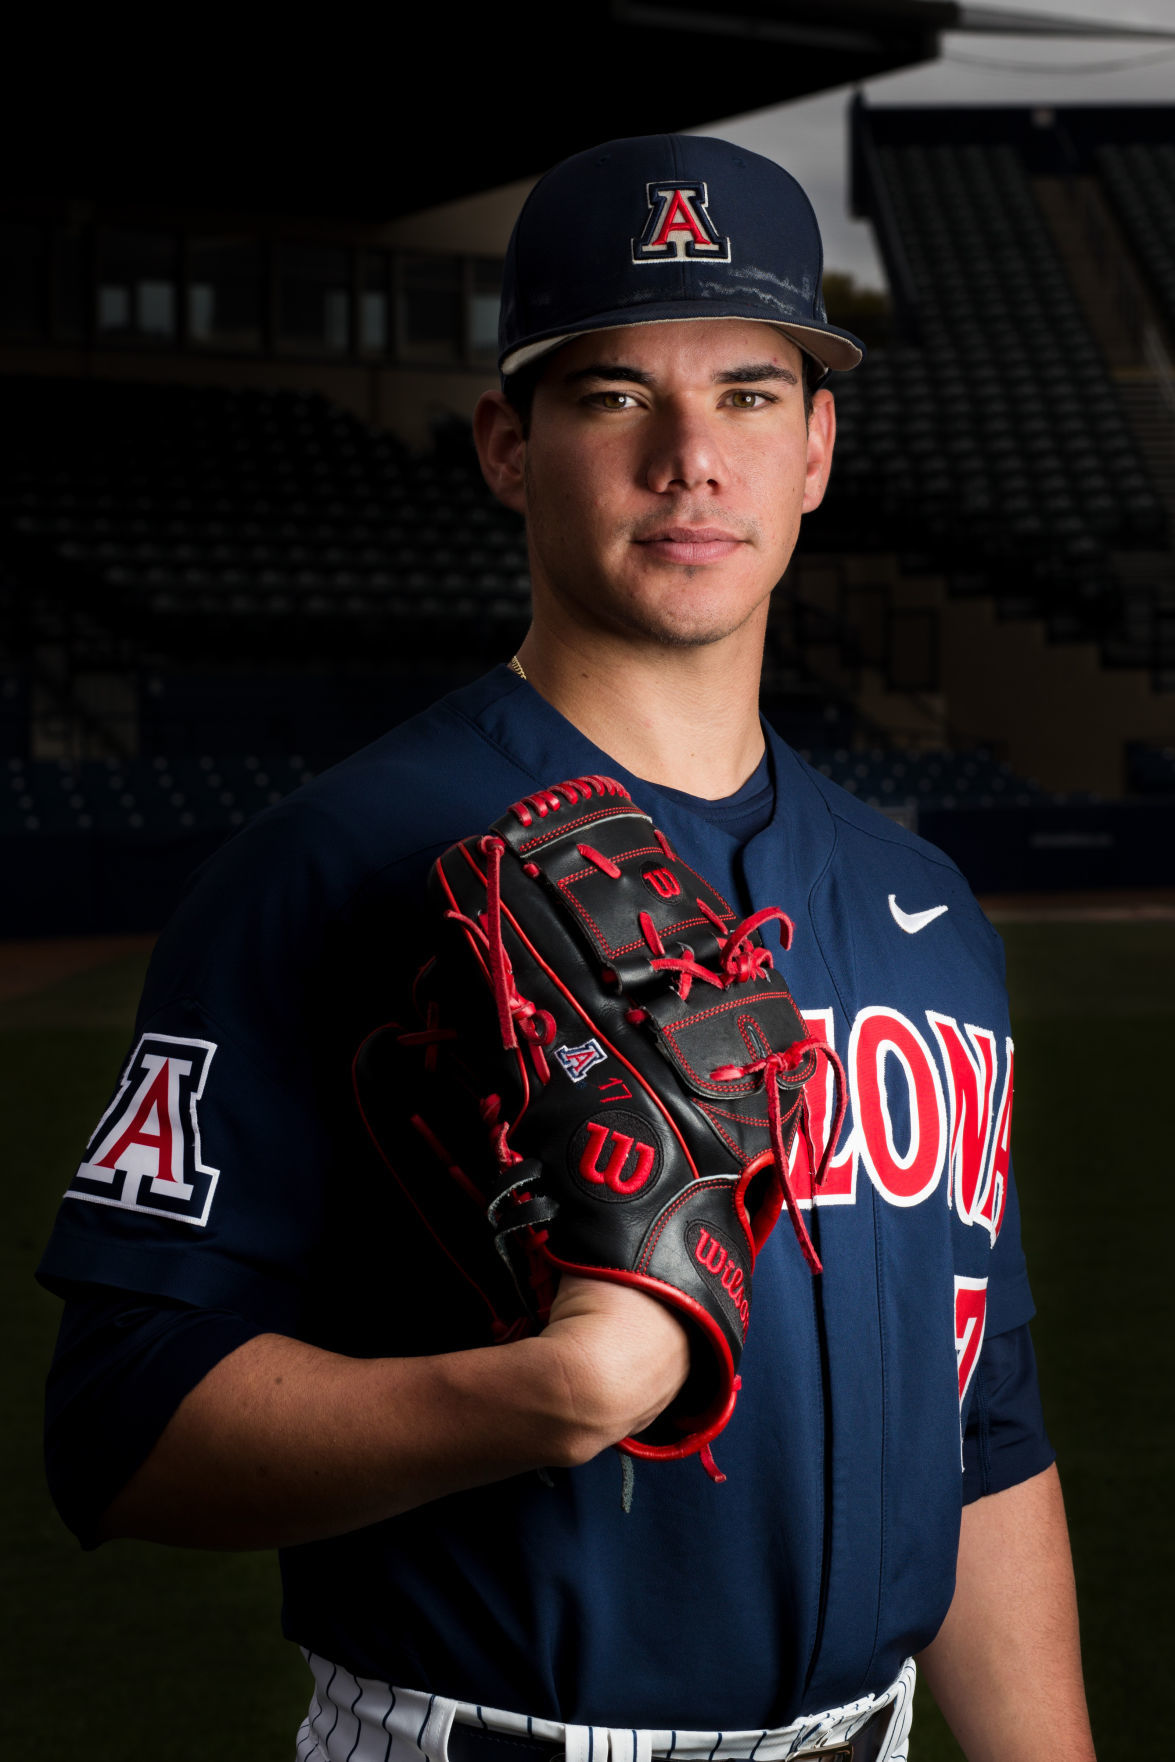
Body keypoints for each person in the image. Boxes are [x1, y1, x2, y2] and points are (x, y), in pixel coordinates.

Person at [38, 134, 1096, 1762]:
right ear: (505, 445)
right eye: (614, 394)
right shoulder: (335, 866)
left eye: (750, 394)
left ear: (817, 449)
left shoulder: (927, 909)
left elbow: (987, 1424)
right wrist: (542, 1395)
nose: (692, 457)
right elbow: (117, 1420)